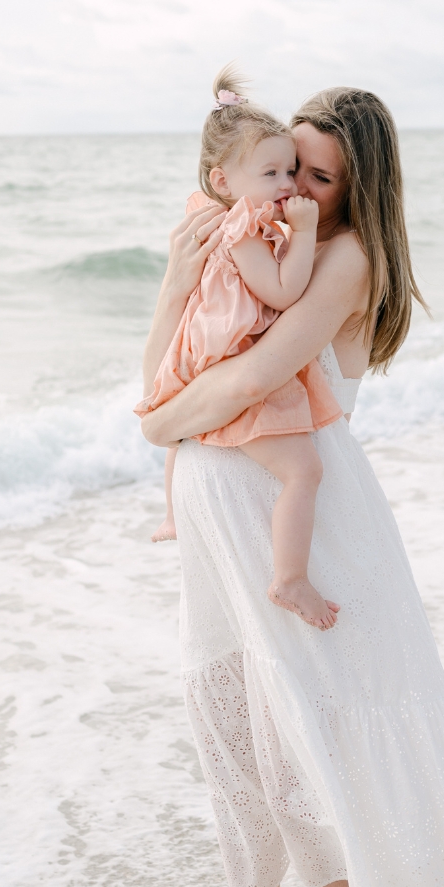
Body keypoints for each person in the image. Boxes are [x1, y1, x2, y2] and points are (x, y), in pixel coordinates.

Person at [138, 86, 444, 887]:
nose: (298, 193)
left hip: (288, 516)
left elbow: (247, 378)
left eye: (320, 178)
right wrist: (169, 280)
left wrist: (156, 426)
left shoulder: (343, 256)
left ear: (358, 188)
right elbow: (161, 364)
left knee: (297, 739)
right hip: (211, 502)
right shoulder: (249, 232)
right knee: (225, 723)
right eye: (291, 168)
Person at [134, 71, 344, 629]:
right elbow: (280, 290)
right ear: (223, 179)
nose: (288, 186)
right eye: (272, 172)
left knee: (182, 429)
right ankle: (290, 578)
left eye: (294, 172)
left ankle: (173, 513)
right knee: (304, 473)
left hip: (207, 353)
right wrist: (301, 236)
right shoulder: (245, 227)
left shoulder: (214, 216)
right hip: (231, 354)